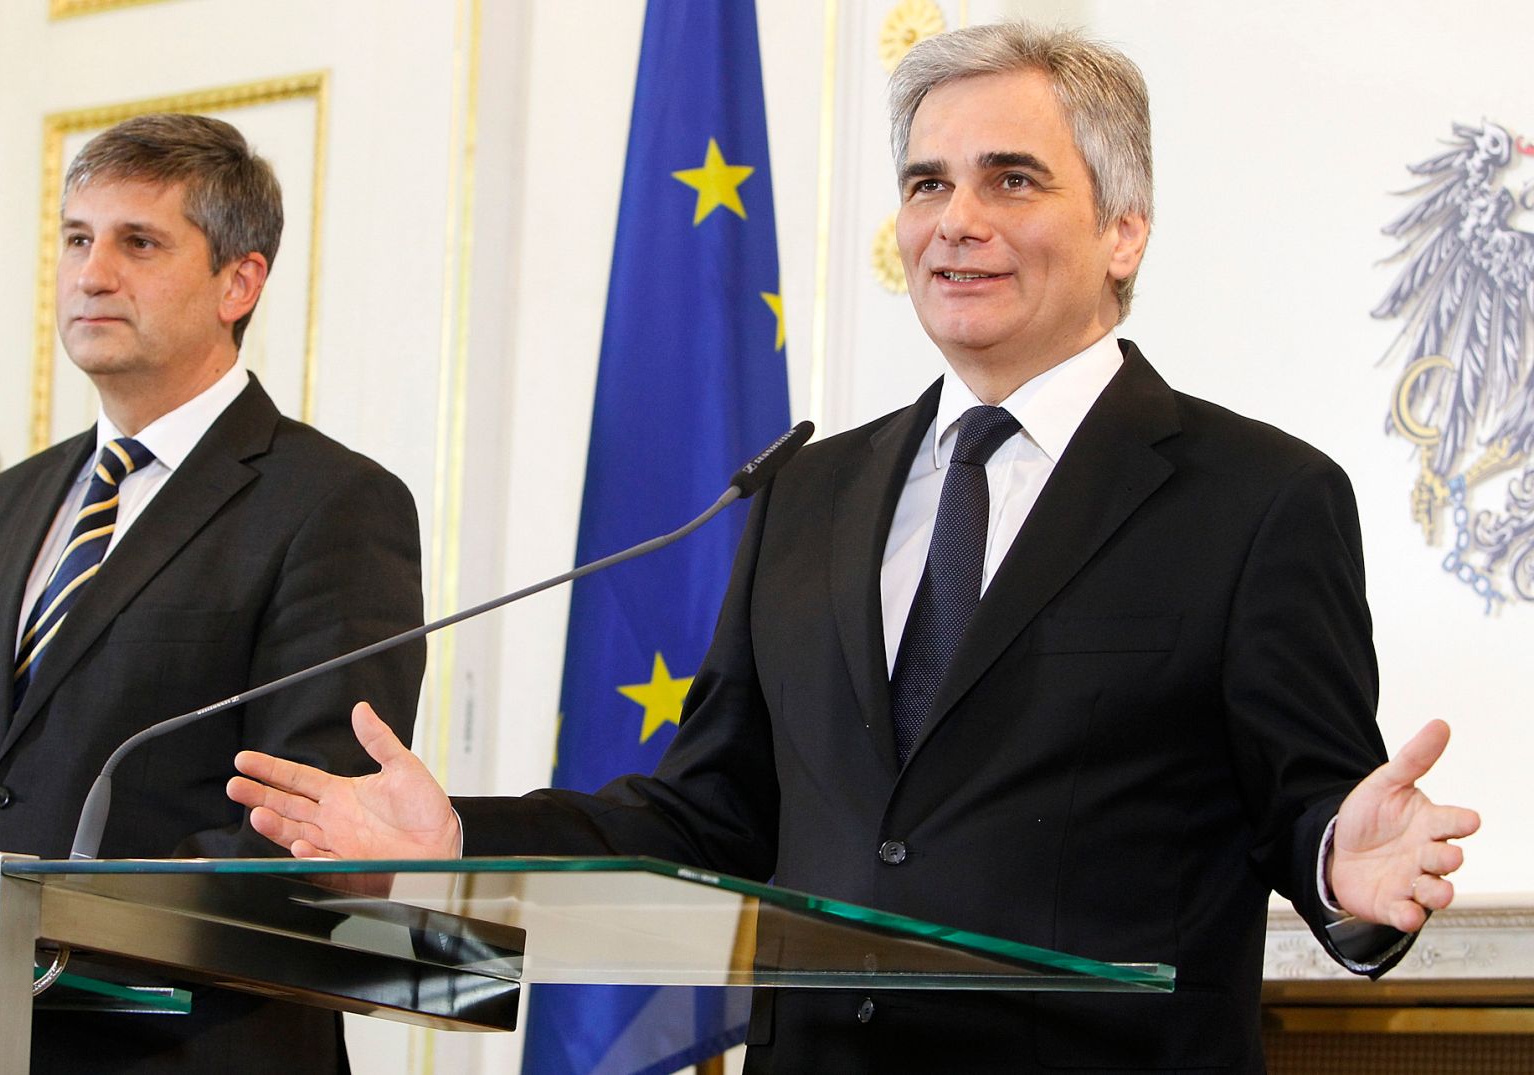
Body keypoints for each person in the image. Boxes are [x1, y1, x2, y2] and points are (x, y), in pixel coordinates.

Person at [228, 24, 1481, 1074]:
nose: (955, 222)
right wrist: (457, 842)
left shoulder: (1255, 496)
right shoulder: (808, 487)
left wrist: (1337, 859)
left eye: (1011, 179)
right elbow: (706, 810)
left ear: (1123, 231)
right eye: (926, 184)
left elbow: (1309, 805)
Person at [0, 113, 425, 1073]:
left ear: (239, 281)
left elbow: (309, 814)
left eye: (138, 242)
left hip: (196, 1045)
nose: (91, 273)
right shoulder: (7, 502)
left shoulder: (334, 503)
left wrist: (55, 927)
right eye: (77, 238)